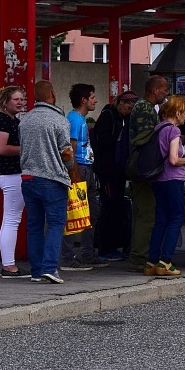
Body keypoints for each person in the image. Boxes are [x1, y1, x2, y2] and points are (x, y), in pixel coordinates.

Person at [19, 80, 73, 284]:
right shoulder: (59, 120)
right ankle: (50, 268)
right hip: (52, 179)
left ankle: (36, 271)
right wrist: (70, 169)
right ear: (53, 94)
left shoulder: (25, 120)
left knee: (34, 226)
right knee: (56, 223)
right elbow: (66, 153)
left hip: (28, 178)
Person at [147, 95, 185, 277]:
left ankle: (151, 261)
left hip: (157, 179)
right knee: (176, 218)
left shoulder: (158, 128)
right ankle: (165, 261)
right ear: (177, 112)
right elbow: (174, 159)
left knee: (161, 219)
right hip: (173, 180)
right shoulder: (174, 131)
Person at [61, 83, 106, 270]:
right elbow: (70, 150)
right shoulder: (75, 120)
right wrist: (75, 175)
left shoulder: (79, 119)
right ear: (83, 100)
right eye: (92, 97)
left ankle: (88, 253)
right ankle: (67, 257)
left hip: (87, 169)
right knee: (74, 214)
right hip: (80, 170)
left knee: (90, 213)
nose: (95, 101)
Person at [128, 75, 170, 272]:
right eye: (164, 90)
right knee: (146, 213)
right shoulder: (145, 109)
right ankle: (140, 257)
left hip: (140, 167)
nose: (166, 94)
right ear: (155, 90)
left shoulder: (144, 107)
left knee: (141, 212)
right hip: (144, 169)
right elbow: (145, 139)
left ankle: (138, 253)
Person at [92, 90, 138, 261]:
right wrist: (119, 140)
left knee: (116, 206)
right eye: (127, 106)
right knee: (109, 206)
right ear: (120, 103)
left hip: (117, 170)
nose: (129, 109)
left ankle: (114, 244)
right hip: (108, 170)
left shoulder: (121, 118)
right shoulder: (109, 116)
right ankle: (106, 247)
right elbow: (103, 140)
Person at [0, 86, 29, 278]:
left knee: (12, 219)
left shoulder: (12, 120)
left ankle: (9, 264)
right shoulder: (1, 120)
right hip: (10, 175)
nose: (20, 102)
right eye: (16, 99)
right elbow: (1, 148)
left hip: (13, 174)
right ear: (5, 102)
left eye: (22, 99)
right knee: (12, 220)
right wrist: (27, 148)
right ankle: (9, 266)